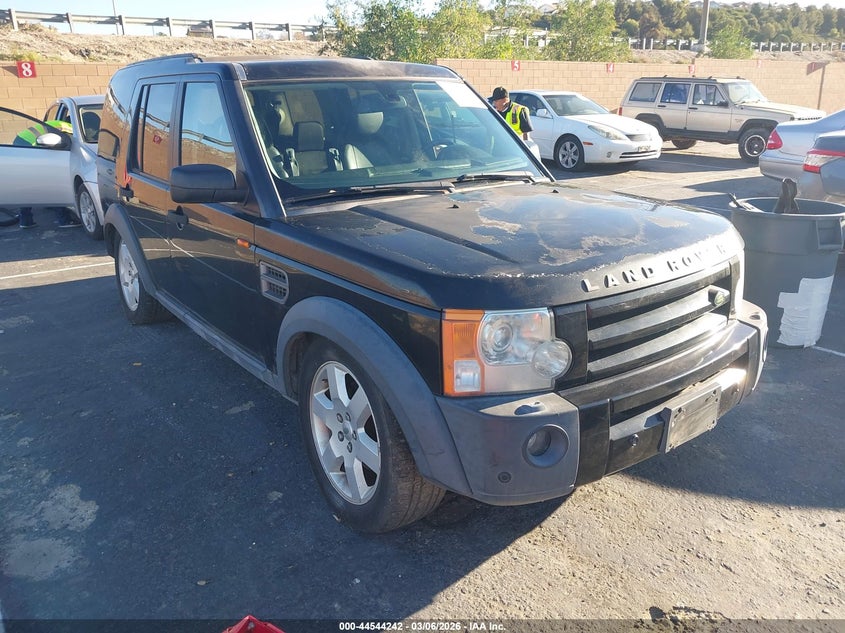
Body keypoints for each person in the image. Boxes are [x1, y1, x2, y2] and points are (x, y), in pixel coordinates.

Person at [14, 119, 81, 229]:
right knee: (53, 184)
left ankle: (25, 221)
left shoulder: (56, 123)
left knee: (26, 185)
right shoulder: (69, 128)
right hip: (30, 148)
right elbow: (74, 144)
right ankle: (64, 220)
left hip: (20, 145)